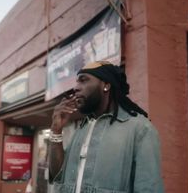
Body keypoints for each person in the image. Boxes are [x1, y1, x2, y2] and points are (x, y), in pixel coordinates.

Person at [49, 61, 164, 193]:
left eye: (83, 80)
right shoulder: (82, 128)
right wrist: (56, 130)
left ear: (106, 85)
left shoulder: (140, 129)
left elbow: (149, 189)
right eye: (77, 82)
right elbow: (58, 176)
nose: (76, 88)